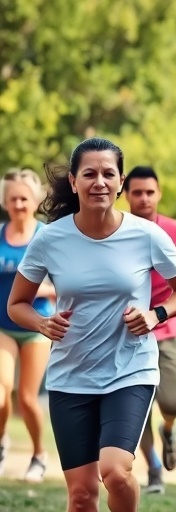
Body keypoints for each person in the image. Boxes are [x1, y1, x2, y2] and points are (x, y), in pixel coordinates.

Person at [8, 137, 176, 512]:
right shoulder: (50, 239)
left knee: (115, 470)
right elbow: (17, 304)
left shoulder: (146, 234)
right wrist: (43, 323)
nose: (99, 182)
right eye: (90, 174)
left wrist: (155, 314)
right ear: (75, 182)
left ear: (120, 182)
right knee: (81, 497)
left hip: (130, 370)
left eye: (108, 174)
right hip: (70, 376)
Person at [123, 166, 176, 494]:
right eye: (137, 193)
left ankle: (169, 428)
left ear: (158, 194)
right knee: (134, 405)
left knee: (171, 400)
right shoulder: (117, 231)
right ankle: (153, 468)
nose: (144, 198)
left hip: (167, 325)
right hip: (127, 330)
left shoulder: (174, 229)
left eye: (149, 192)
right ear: (126, 195)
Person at [0, 168, 54, 483]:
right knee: (1, 392)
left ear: (34, 201)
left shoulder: (46, 235)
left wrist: (42, 289)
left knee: (28, 398)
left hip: (38, 325)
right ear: (6, 202)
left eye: (24, 198)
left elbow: (67, 282)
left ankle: (38, 455)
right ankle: (2, 441)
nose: (19, 204)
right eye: (13, 199)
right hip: (3, 325)